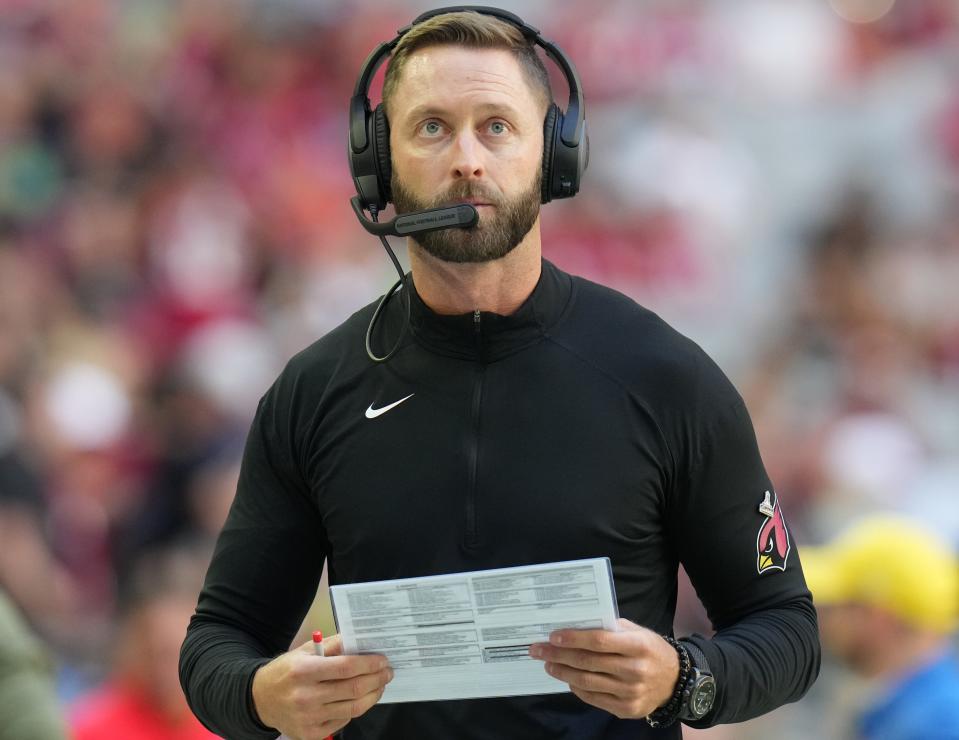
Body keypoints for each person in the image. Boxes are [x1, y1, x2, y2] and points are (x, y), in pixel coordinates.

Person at [180, 7, 820, 739]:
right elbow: (216, 644)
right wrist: (265, 696)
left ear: (552, 156)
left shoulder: (665, 377)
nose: (466, 159)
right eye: (430, 127)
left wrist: (684, 679)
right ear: (378, 161)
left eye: (496, 126)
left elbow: (785, 630)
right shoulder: (313, 391)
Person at [802, 515, 959, 740]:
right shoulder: (909, 709)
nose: (822, 623)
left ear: (878, 616)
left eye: (833, 607)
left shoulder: (936, 725)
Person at [72, 545, 217, 740]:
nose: (165, 671)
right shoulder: (90, 727)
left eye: (176, 653)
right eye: (155, 653)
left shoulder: (227, 724)